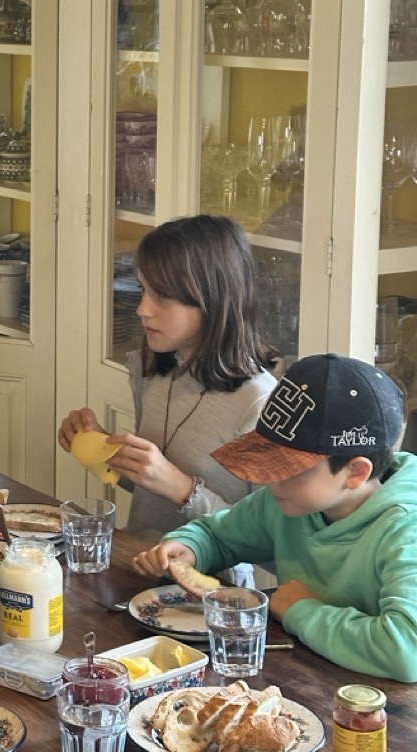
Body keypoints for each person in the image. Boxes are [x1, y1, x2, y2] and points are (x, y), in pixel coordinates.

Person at [132, 353, 417, 683]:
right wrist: (190, 546)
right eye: (270, 462)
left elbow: (406, 650)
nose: (271, 481)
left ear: (355, 472)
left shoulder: (405, 528)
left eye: (291, 470)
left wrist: (301, 610)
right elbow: (219, 535)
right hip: (307, 681)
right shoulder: (287, 501)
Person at [58, 215, 278, 549]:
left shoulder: (259, 403)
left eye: (162, 296)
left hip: (211, 591)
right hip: (136, 566)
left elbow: (269, 545)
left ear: (213, 299)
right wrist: (105, 449)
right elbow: (151, 490)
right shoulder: (156, 372)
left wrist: (184, 490)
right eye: (143, 289)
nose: (143, 309)